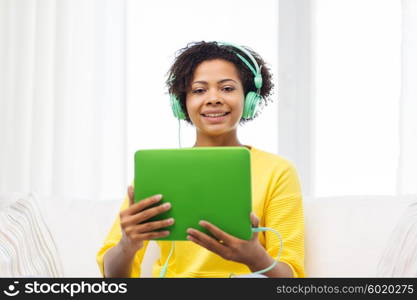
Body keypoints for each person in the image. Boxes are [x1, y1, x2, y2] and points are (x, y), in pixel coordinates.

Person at [96, 41, 305, 278]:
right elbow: (112, 279)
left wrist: (254, 257)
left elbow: (291, 279)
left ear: (249, 99)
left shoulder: (277, 171)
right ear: (181, 103)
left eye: (227, 88)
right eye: (199, 90)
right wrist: (127, 244)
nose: (213, 98)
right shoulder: (160, 171)